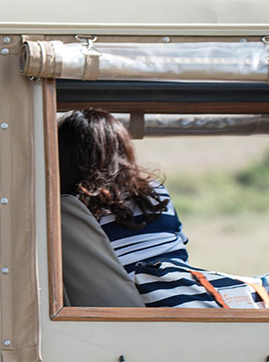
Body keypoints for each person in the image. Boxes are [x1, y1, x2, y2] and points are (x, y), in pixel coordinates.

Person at [57, 108, 268, 310]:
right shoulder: (152, 191)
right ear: (122, 148)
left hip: (136, 298)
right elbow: (178, 246)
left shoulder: (70, 208)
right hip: (177, 290)